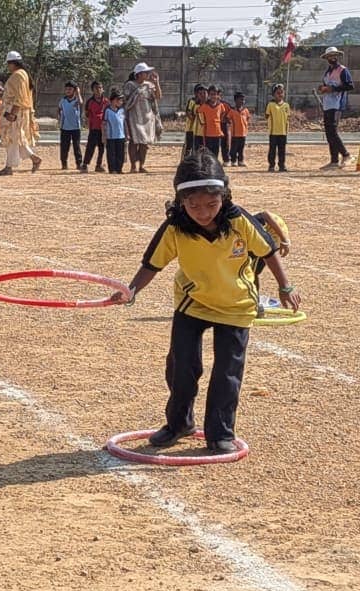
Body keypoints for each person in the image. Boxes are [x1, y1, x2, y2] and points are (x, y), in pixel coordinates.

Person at [112, 152, 302, 454]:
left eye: (211, 204)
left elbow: (268, 251)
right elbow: (152, 264)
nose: (203, 212)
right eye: (194, 205)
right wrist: (130, 290)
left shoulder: (240, 220)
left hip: (236, 306)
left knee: (227, 374)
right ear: (180, 201)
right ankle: (178, 424)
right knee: (182, 367)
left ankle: (220, 433)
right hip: (193, 303)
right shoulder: (175, 227)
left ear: (224, 197)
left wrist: (285, 286)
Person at [0, 51, 41, 176]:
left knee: (13, 139)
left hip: (16, 113)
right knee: (17, 139)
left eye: (8, 63)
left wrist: (12, 113)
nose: (8, 66)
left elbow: (20, 97)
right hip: (18, 112)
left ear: (13, 63)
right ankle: (34, 159)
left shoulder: (18, 75)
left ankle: (9, 167)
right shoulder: (22, 74)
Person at [122, 61, 162, 173]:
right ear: (139, 74)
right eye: (145, 72)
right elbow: (125, 101)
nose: (148, 74)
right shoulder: (130, 85)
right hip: (134, 117)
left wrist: (157, 83)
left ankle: (141, 165)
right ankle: (133, 166)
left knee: (144, 143)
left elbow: (158, 97)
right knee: (134, 142)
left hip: (147, 118)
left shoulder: (149, 86)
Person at [317, 47, 354, 170]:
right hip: (327, 104)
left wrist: (333, 89)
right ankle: (334, 160)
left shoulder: (343, 70)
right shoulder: (327, 72)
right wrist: (322, 88)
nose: (332, 57)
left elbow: (349, 86)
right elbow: (327, 85)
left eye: (334, 55)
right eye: (330, 56)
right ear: (327, 58)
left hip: (337, 104)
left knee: (332, 131)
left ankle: (346, 154)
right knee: (329, 133)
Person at [81, 80, 108, 173]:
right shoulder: (90, 102)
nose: (98, 90)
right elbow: (87, 114)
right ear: (93, 90)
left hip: (103, 129)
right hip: (94, 128)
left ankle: (98, 165)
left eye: (100, 88)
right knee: (90, 147)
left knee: (102, 148)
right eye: (96, 88)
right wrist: (89, 124)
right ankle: (85, 164)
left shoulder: (106, 101)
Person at [57, 81, 84, 171]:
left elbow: (81, 102)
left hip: (76, 128)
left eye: (70, 89)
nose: (68, 91)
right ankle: (64, 163)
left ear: (74, 90)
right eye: (67, 89)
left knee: (76, 146)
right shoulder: (63, 101)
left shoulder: (76, 100)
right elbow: (59, 110)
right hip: (65, 127)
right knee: (64, 146)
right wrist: (60, 119)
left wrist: (78, 93)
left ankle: (79, 163)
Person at [196, 85, 225, 160]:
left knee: (216, 151)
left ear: (218, 95)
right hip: (207, 133)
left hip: (217, 133)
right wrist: (202, 122)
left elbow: (223, 113)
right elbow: (198, 111)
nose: (213, 96)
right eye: (211, 94)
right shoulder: (205, 106)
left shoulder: (220, 105)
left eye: (215, 94)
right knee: (208, 152)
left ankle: (214, 165)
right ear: (208, 95)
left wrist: (219, 121)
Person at [266, 83, 289, 172]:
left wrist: (287, 130)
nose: (280, 95)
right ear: (274, 94)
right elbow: (267, 116)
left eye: (281, 92)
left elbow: (287, 118)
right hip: (273, 132)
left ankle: (282, 165)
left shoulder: (286, 105)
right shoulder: (270, 105)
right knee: (272, 150)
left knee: (282, 150)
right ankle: (271, 165)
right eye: (278, 93)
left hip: (283, 132)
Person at [103, 90, 127, 174]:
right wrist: (104, 136)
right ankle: (112, 169)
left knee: (120, 153)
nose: (121, 102)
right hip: (111, 136)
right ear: (113, 100)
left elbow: (124, 123)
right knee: (111, 154)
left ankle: (119, 169)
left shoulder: (122, 110)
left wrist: (127, 134)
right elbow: (104, 123)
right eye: (119, 100)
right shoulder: (107, 110)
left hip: (121, 136)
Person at [182, 83, 206, 158]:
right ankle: (186, 158)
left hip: (199, 129)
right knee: (189, 145)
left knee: (198, 145)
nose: (201, 94)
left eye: (203, 93)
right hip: (190, 128)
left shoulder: (204, 103)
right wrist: (194, 118)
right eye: (199, 93)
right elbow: (188, 112)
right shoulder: (192, 101)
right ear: (195, 93)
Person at [228, 92, 250, 167]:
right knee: (234, 149)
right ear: (236, 100)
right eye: (240, 100)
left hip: (243, 133)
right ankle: (233, 161)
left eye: (243, 100)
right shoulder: (232, 111)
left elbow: (247, 118)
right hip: (235, 134)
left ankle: (240, 161)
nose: (242, 101)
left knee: (241, 148)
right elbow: (228, 118)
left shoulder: (245, 110)